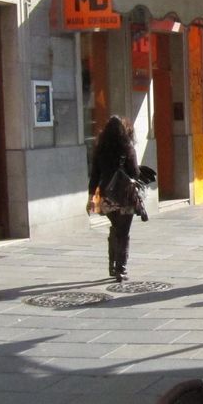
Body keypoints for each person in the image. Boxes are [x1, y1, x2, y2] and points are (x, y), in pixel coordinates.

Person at [87, 115, 142, 282]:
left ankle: (112, 265)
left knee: (116, 228)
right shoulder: (127, 148)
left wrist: (90, 198)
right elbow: (135, 173)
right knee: (123, 232)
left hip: (107, 197)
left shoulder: (100, 149)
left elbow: (94, 175)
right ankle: (121, 269)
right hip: (125, 197)